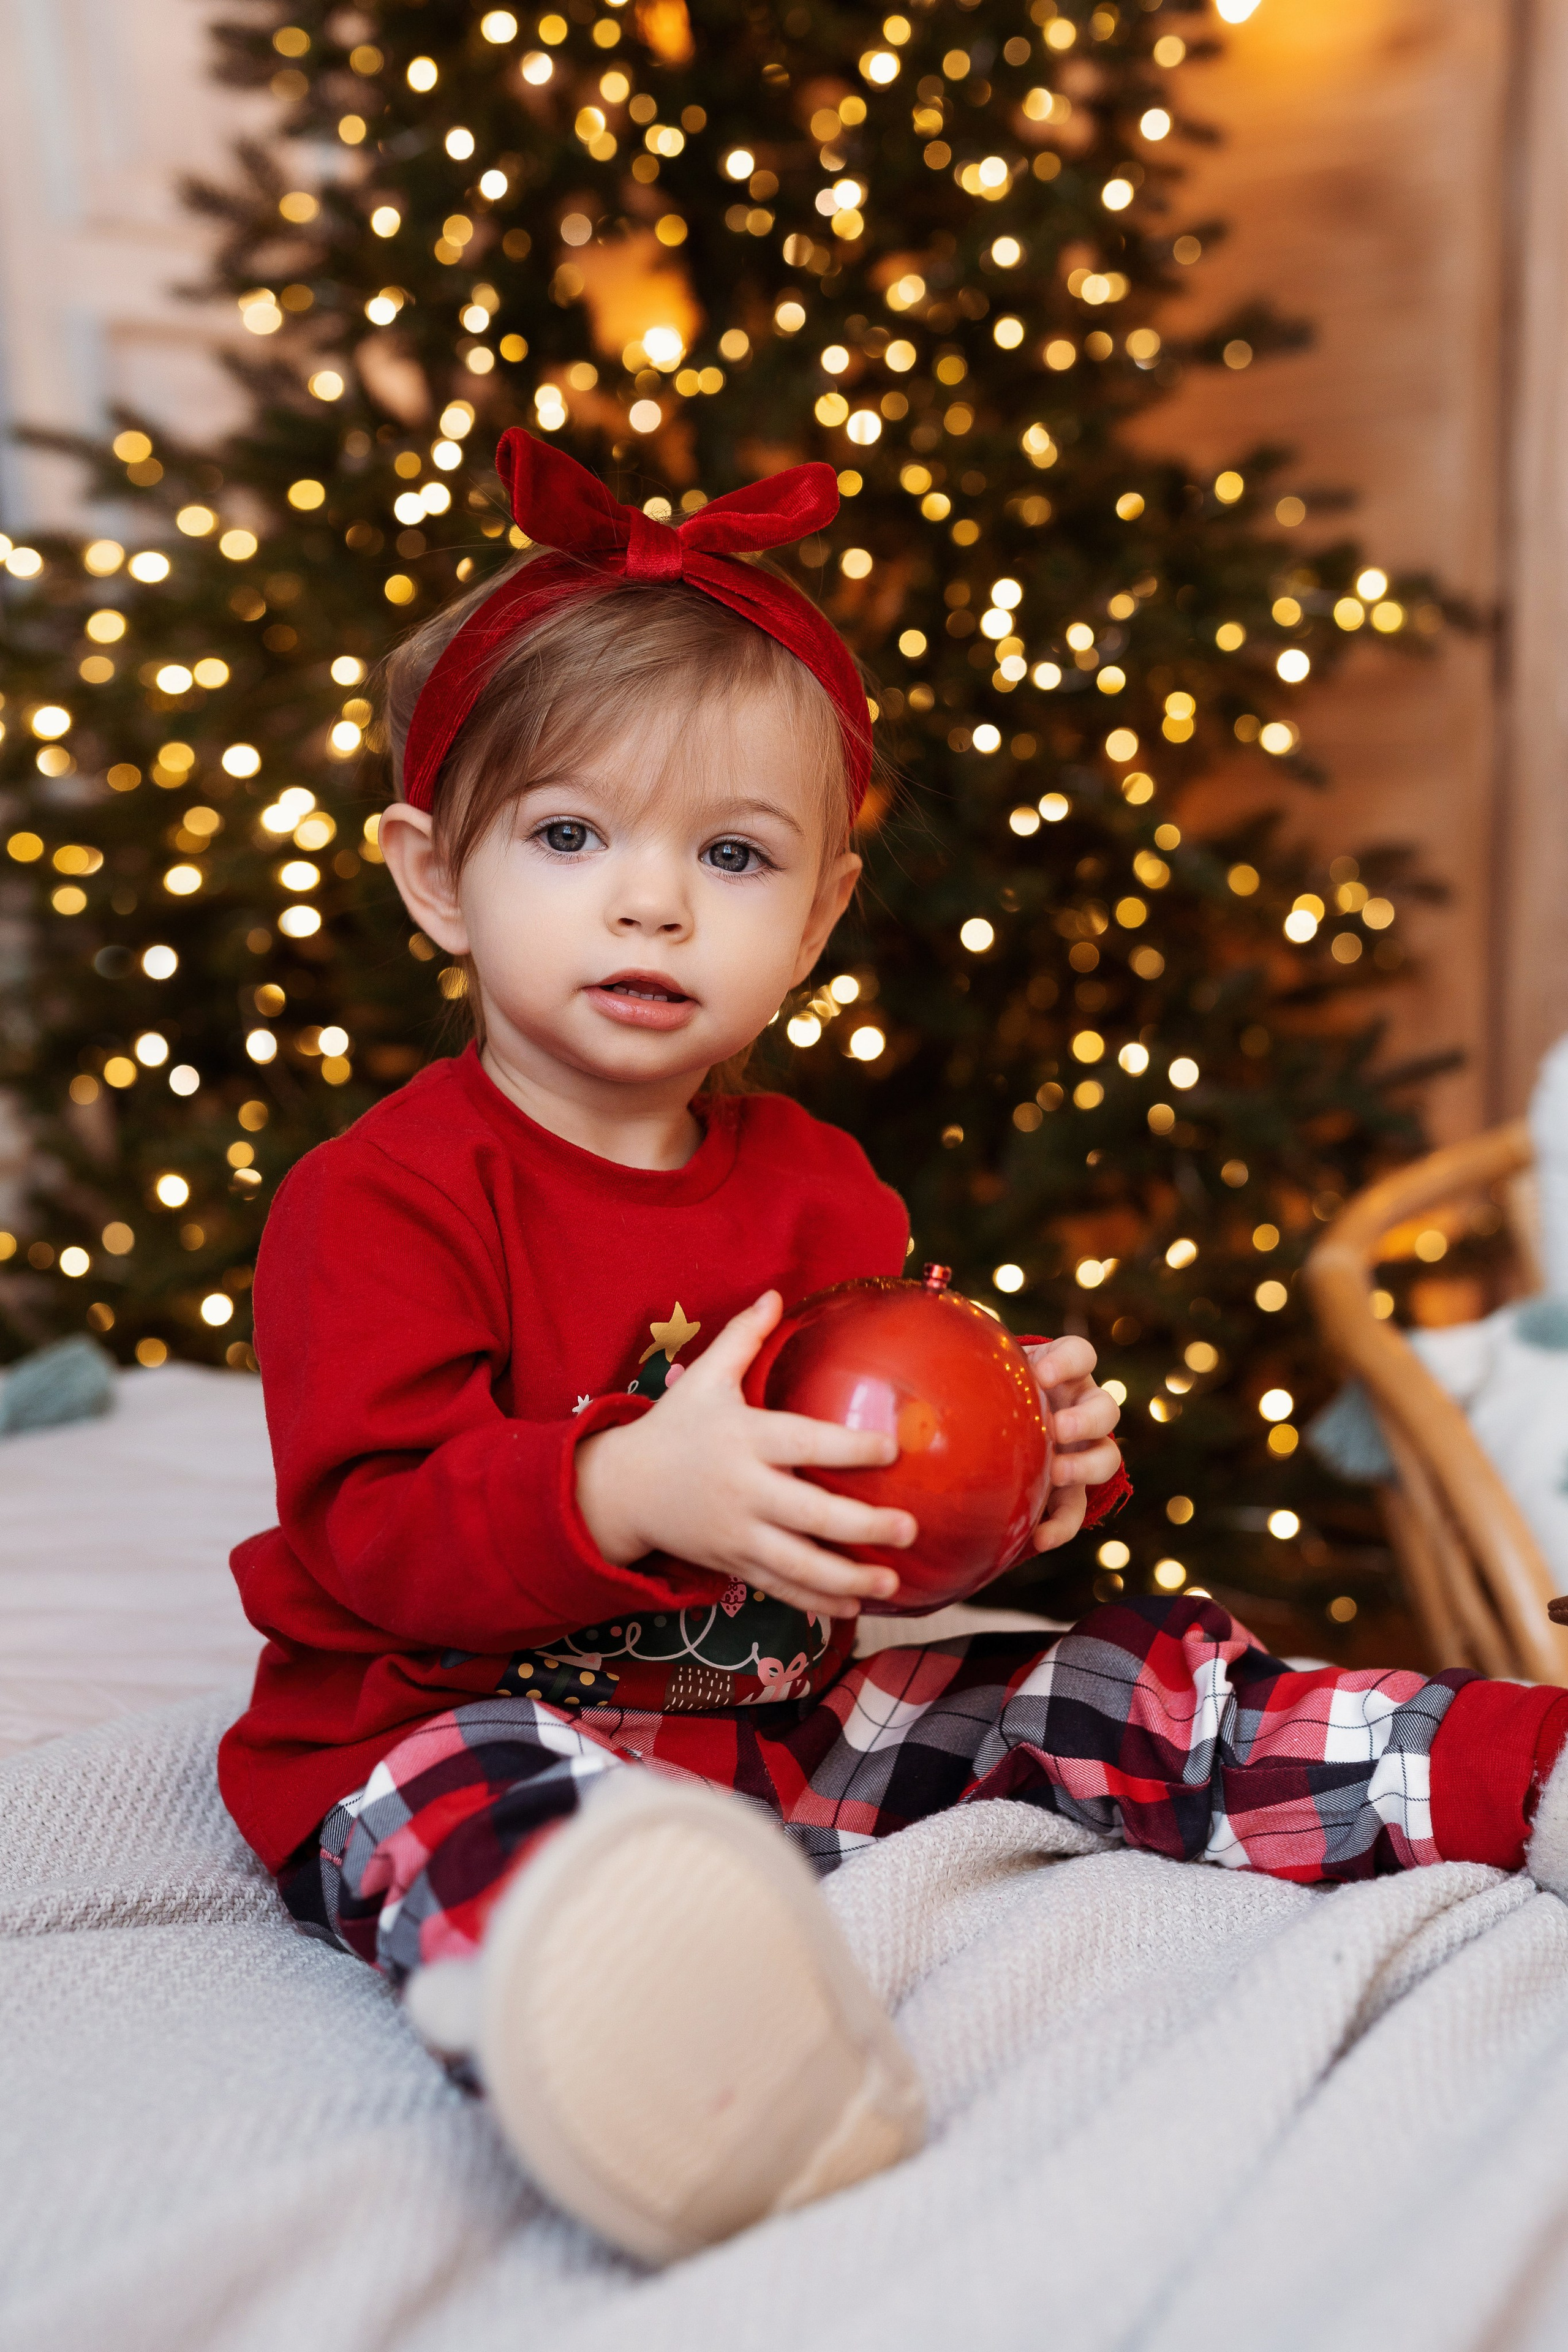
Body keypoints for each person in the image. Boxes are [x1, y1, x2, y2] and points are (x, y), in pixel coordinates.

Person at [221, 433, 1568, 2268]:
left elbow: (891, 1524)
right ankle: (695, 2083)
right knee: (478, 1813)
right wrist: (628, 1480)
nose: (652, 902)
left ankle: (1506, 1774)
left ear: (820, 915)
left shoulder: (819, 1189)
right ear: (436, 877)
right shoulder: (376, 1201)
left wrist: (1017, 1482)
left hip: (776, 1722)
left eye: (733, 853)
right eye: (567, 836)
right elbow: (370, 1539)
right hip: (447, 1710)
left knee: (1102, 1681)